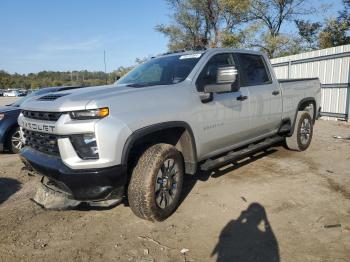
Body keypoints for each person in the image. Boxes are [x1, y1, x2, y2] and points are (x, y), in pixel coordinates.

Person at [212, 203, 279, 262]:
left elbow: (233, 229)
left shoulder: (234, 226)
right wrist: (266, 220)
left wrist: (241, 217)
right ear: (260, 219)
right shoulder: (261, 237)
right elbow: (272, 241)